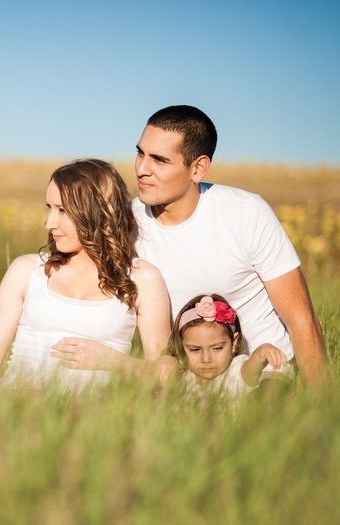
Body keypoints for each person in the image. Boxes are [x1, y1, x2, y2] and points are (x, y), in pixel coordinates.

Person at [132, 104, 329, 387]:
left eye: (159, 160)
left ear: (197, 168)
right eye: (140, 153)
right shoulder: (126, 222)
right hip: (185, 379)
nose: (142, 168)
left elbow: (302, 320)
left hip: (264, 375)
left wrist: (324, 412)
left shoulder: (246, 213)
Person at [0, 158, 171, 392]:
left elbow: (166, 375)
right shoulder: (26, 271)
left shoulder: (142, 278)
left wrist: (110, 360)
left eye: (62, 210)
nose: (49, 223)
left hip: (95, 421)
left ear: (97, 212)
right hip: (17, 412)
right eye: (49, 208)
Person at [165, 294, 288, 408]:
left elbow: (250, 369)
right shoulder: (185, 377)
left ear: (234, 343)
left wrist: (261, 353)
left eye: (217, 348)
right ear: (181, 346)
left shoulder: (235, 372)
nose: (206, 359)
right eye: (195, 350)